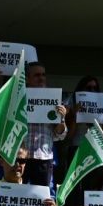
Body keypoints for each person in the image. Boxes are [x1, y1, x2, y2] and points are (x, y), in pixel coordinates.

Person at [22, 62, 67, 198]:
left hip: (43, 158)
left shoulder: (53, 99)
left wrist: (62, 118)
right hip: (21, 158)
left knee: (42, 200)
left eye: (43, 75)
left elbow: (59, 135)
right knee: (20, 197)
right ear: (28, 79)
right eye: (37, 75)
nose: (41, 78)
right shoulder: (19, 98)